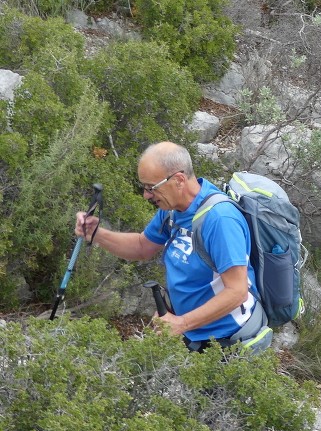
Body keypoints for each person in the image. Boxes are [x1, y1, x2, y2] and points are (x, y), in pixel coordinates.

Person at [74, 142, 272, 353]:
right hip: (196, 336)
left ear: (178, 180)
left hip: (231, 342)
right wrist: (96, 234)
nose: (146, 195)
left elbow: (237, 291)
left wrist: (181, 323)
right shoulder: (173, 209)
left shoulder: (220, 219)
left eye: (151, 187)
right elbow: (142, 246)